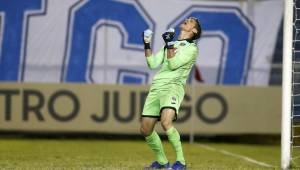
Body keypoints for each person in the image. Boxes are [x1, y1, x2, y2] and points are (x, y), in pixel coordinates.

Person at [140, 17, 202, 170]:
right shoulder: (171, 43)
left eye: (191, 21)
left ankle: (181, 162)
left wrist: (168, 44)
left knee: (166, 122)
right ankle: (162, 162)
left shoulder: (192, 49)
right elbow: (152, 63)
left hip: (173, 87)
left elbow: (173, 65)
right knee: (145, 129)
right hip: (157, 86)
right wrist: (147, 43)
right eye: (188, 19)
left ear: (194, 31)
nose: (188, 20)